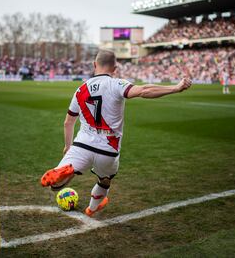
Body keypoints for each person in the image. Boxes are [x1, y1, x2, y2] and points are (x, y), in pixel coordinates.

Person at [40, 49, 192, 217]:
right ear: (115, 68)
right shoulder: (117, 84)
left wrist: (68, 146)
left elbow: (68, 122)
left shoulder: (80, 90)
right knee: (105, 180)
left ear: (94, 65)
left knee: (57, 184)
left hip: (82, 144)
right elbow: (144, 91)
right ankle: (92, 208)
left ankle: (66, 169)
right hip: (108, 149)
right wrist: (175, 88)